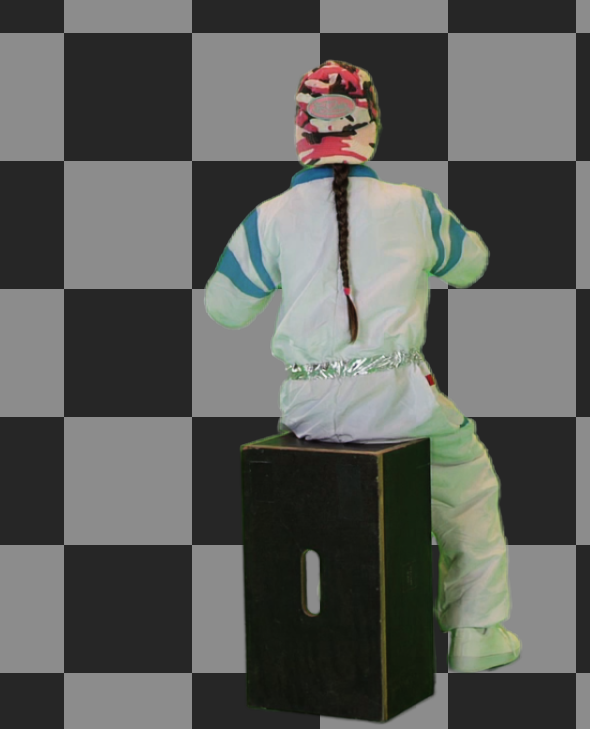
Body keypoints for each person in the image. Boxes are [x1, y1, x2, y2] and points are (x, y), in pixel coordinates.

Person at [204, 60, 520, 673]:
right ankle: (476, 631)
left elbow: (223, 310)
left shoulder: (268, 216)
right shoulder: (415, 204)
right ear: (371, 123)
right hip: (401, 401)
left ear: (301, 129)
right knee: (468, 484)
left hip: (309, 413)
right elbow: (472, 264)